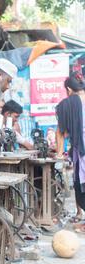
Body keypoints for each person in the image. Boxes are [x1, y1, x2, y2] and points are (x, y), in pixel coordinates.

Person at [56, 71, 85, 222]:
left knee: (81, 189)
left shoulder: (67, 104)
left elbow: (61, 132)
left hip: (82, 152)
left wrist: (59, 153)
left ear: (68, 90)